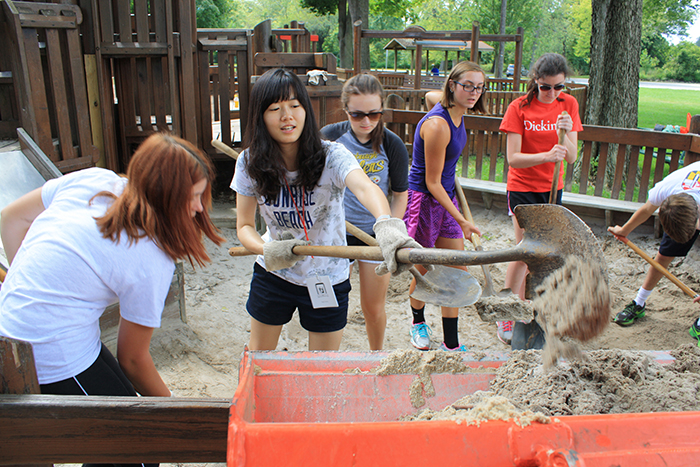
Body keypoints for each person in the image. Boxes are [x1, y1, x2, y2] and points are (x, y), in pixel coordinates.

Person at [0, 133, 224, 404]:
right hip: (47, 353)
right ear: (165, 197)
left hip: (12, 321)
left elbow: (11, 217)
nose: (199, 208)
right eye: (193, 197)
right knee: (122, 429)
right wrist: (175, 404)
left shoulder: (94, 180)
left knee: (124, 394)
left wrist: (25, 280)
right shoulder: (149, 254)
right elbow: (132, 360)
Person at [231, 68, 420, 352]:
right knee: (259, 358)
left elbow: (366, 188)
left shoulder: (331, 154)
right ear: (260, 115)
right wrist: (264, 250)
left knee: (322, 365)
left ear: (305, 109)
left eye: (295, 105)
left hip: (328, 276)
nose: (287, 116)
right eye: (275, 108)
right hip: (275, 275)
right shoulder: (249, 162)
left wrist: (386, 224)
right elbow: (244, 226)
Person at [498, 53, 582, 346]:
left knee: (545, 252)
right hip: (522, 187)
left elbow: (571, 157)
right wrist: (546, 155)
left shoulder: (568, 104)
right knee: (525, 251)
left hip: (551, 189)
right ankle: (507, 311)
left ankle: (534, 310)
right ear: (535, 81)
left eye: (558, 87)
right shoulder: (519, 107)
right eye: (546, 87)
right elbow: (513, 159)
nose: (552, 93)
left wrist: (567, 131)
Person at [320, 73, 409, 350]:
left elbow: (400, 194)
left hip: (374, 234)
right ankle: (328, 360)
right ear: (345, 108)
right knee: (329, 305)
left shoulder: (392, 145)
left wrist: (390, 229)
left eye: (374, 114)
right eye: (357, 115)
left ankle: (376, 355)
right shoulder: (330, 138)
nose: (366, 122)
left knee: (372, 307)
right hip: (337, 233)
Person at [403, 61, 484, 352]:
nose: (474, 92)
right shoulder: (438, 125)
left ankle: (451, 342)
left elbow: (429, 97)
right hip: (426, 200)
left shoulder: (452, 107)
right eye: (467, 86)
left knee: (455, 269)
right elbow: (433, 182)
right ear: (452, 85)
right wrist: (462, 220)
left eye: (479, 87)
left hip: (444, 196)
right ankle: (417, 323)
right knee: (425, 270)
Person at [608, 160, 700, 343]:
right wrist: (624, 231)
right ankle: (639, 303)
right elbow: (646, 210)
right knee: (663, 256)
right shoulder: (666, 189)